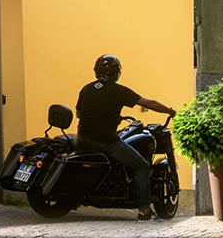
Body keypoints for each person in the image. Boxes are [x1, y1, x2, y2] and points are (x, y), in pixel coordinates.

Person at [75, 54, 176, 222]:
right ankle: (145, 211)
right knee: (142, 166)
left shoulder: (87, 88)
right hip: (105, 141)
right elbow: (148, 103)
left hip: (83, 139)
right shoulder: (118, 91)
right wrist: (170, 111)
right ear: (116, 73)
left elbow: (79, 113)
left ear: (96, 71)